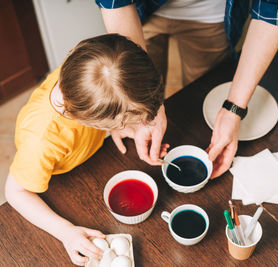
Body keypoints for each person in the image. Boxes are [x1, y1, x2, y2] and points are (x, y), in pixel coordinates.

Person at [5, 34, 168, 266]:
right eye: (121, 122)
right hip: (60, 173)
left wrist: (115, 128)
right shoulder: (42, 141)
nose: (125, 126)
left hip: (86, 148)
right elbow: (15, 193)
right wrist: (65, 231)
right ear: (89, 119)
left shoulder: (84, 73)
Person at [96, 0, 278, 178]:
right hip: (139, 12)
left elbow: (275, 9)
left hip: (210, 17)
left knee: (197, 93)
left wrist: (233, 111)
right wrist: (146, 106)